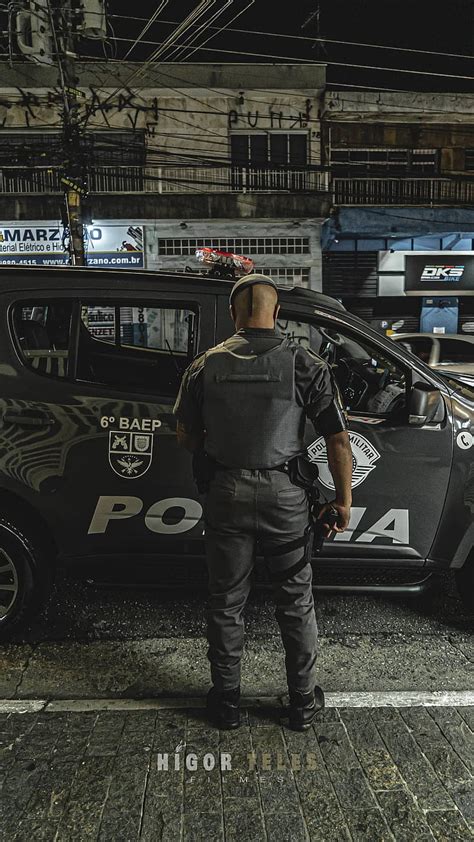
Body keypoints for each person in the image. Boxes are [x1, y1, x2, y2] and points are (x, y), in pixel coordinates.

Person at [173, 274, 352, 731]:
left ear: (235, 313)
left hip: (226, 497)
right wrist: (343, 500)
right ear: (276, 313)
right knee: (294, 600)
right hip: (286, 502)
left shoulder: (203, 366)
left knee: (226, 600)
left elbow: (188, 438)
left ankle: (227, 703)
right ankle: (301, 704)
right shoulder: (305, 364)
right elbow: (336, 439)